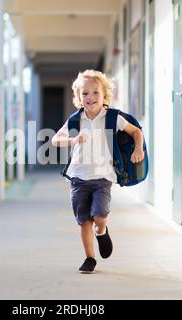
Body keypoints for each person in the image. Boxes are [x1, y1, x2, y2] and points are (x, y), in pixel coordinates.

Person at [52, 70, 145, 273]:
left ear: (105, 96)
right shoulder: (76, 120)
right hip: (78, 178)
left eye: (95, 92)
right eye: (85, 93)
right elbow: (55, 139)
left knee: (99, 216)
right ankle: (90, 258)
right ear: (78, 97)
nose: (90, 97)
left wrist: (138, 148)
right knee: (84, 220)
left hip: (103, 177)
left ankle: (102, 231)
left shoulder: (113, 118)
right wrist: (73, 140)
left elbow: (136, 132)